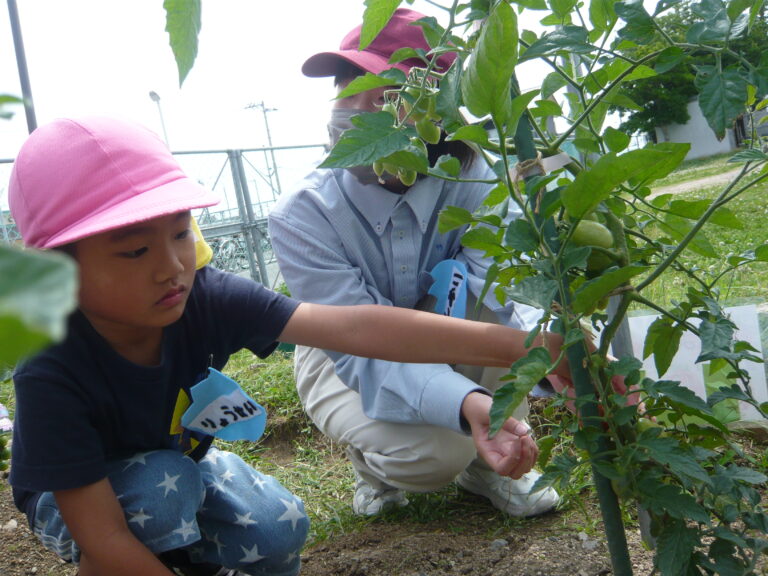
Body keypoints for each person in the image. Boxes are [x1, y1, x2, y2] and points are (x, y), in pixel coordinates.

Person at [8, 115, 573, 576]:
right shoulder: (51, 365)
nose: (172, 267)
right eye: (134, 251)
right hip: (81, 499)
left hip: (176, 462)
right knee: (160, 498)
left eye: (181, 233)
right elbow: (103, 535)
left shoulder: (202, 297)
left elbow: (357, 327)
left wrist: (533, 346)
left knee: (277, 527)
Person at [267, 8, 561, 519]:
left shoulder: (474, 182)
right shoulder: (304, 215)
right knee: (430, 456)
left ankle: (485, 465)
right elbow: (363, 343)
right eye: (346, 87)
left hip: (447, 330)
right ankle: (376, 465)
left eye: (384, 96)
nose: (356, 112)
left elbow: (508, 294)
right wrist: (469, 406)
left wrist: (559, 364)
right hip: (341, 348)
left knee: (489, 289)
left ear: (438, 112)